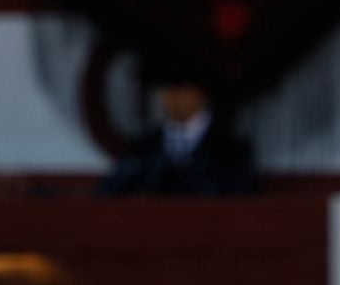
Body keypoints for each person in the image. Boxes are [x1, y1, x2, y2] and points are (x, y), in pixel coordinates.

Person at [102, 76, 255, 197]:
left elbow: (240, 202)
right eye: (168, 89)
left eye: (182, 88)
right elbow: (109, 193)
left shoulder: (232, 150)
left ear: (201, 93)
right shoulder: (143, 147)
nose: (173, 97)